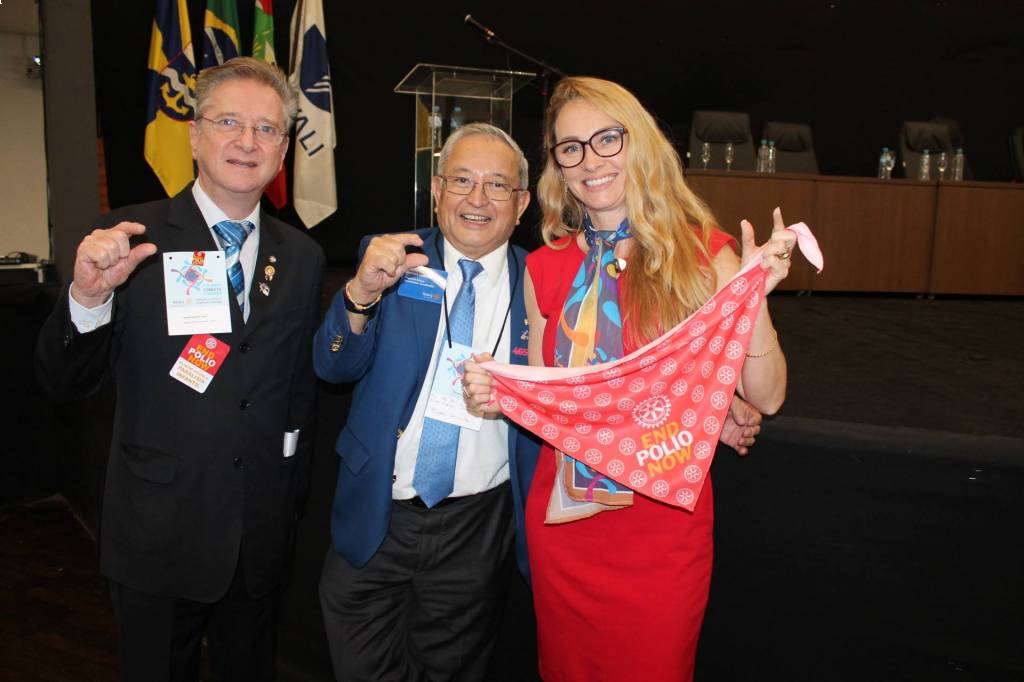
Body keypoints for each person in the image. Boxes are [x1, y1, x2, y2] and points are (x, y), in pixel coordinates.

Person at [462, 77, 794, 681]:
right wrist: (498, 394)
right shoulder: (544, 268)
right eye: (571, 148)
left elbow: (767, 397)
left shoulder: (703, 254)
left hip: (661, 531)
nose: (591, 161)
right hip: (564, 527)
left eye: (606, 139)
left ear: (637, 141)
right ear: (558, 166)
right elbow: (556, 403)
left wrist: (753, 297)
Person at [34, 57, 324, 682]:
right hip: (158, 532)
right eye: (229, 122)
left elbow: (296, 393)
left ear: (283, 151)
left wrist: (287, 503)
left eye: (267, 129)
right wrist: (88, 298)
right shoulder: (129, 238)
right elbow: (64, 381)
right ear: (194, 135)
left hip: (258, 537)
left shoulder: (302, 257)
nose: (247, 142)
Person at [312, 122, 540, 681]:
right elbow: (333, 367)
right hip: (378, 511)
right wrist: (360, 294)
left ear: (521, 203)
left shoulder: (544, 282)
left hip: (477, 527)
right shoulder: (392, 260)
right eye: (461, 180)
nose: (477, 199)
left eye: (496, 185)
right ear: (437, 190)